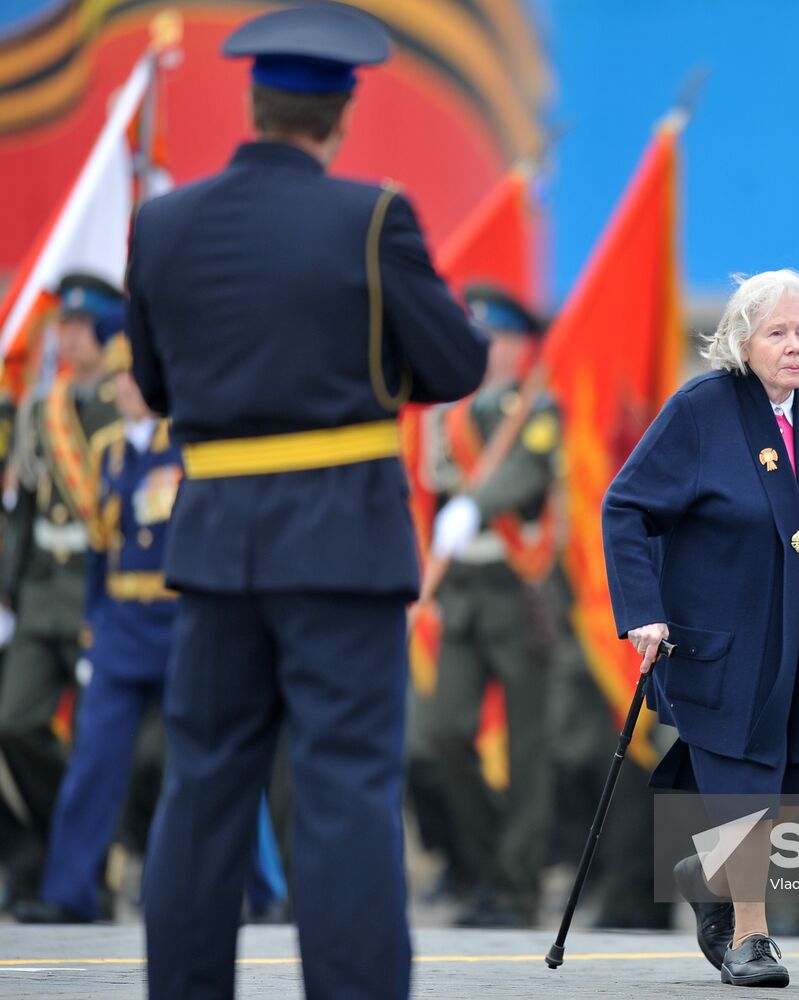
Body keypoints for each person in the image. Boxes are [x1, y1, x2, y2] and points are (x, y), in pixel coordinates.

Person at [124, 4, 488, 997]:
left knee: (204, 787)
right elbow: (456, 362)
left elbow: (155, 384)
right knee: (342, 789)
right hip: (341, 542)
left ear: (253, 107)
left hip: (214, 544)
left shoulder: (161, 224)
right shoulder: (371, 218)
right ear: (339, 116)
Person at [602, 269, 799, 989]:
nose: (794, 346)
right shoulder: (700, 410)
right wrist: (641, 610)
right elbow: (626, 507)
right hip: (726, 648)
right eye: (777, 332)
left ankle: (706, 875)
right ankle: (753, 939)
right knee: (748, 796)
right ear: (742, 339)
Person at [13, 335, 286, 925]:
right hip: (120, 628)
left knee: (216, 755)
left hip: (179, 623)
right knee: (94, 759)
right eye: (118, 378)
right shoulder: (107, 452)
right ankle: (70, 892)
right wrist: (93, 624)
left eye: (133, 377)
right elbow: (98, 550)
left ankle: (266, 891)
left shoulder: (184, 446)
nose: (124, 387)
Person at [408, 283, 558, 927]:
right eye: (480, 338)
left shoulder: (537, 408)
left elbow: (527, 472)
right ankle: (481, 866)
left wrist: (475, 504)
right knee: (443, 734)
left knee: (527, 751)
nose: (489, 349)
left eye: (499, 339)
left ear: (521, 347)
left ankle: (516, 890)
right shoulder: (447, 416)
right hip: (463, 595)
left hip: (517, 592)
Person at [0, 273, 122, 905]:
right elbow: (24, 508)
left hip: (95, 596)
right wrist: (9, 589)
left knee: (99, 743)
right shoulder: (40, 408)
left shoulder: (123, 404)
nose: (69, 338)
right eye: (65, 326)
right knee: (14, 721)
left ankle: (85, 872)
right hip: (42, 593)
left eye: (82, 326)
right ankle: (58, 848)